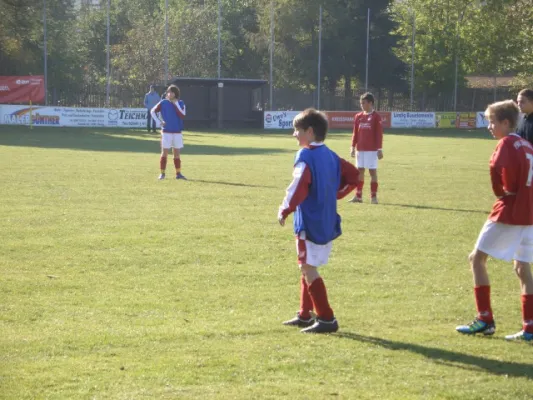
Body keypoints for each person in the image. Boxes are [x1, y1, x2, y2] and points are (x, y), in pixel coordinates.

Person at [456, 100, 533, 341]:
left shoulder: (506, 143)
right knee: (522, 267)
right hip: (530, 213)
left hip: (510, 212)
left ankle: (485, 319)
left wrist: (503, 191)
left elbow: (500, 176)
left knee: (477, 258)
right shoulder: (527, 145)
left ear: (506, 122)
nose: (489, 126)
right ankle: (530, 327)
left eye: (492, 121)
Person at [278, 108, 360, 334]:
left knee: (308, 267)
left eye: (297, 130)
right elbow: (354, 176)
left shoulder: (305, 155)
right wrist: (334, 193)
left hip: (310, 221)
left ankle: (326, 318)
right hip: (326, 219)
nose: (294, 134)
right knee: (307, 266)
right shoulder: (331, 155)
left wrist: (285, 208)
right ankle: (305, 315)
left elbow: (298, 185)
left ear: (310, 132)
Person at [348, 92, 384, 204]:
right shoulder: (358, 116)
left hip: (372, 150)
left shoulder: (376, 117)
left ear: (370, 103)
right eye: (360, 103)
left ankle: (373, 197)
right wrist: (352, 146)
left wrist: (379, 149)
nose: (361, 105)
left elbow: (379, 134)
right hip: (360, 149)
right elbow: (355, 133)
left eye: (363, 103)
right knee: (360, 172)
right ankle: (358, 196)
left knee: (372, 172)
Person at [150, 85, 187, 180]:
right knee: (164, 152)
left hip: (177, 132)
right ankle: (162, 173)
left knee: (177, 153)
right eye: (168, 92)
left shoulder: (181, 103)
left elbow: (182, 115)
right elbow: (152, 111)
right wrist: (158, 122)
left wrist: (176, 104)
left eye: (170, 92)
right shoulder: (163, 102)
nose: (168, 94)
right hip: (166, 132)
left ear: (175, 93)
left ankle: (178, 174)